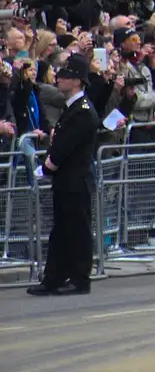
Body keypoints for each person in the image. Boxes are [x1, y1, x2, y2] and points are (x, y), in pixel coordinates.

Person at [26, 54, 99, 296]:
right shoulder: (74, 109)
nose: (59, 78)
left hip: (75, 182)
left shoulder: (82, 111)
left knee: (76, 231)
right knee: (62, 231)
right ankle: (55, 277)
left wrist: (47, 167)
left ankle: (79, 278)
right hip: (67, 182)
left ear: (77, 81)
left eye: (66, 76)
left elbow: (64, 147)